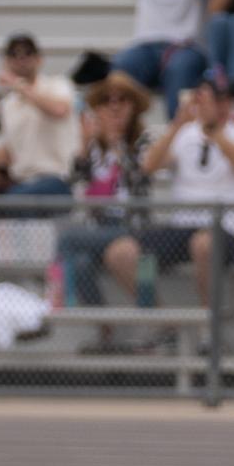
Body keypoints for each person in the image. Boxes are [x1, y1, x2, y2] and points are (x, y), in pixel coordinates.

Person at [101, 74, 234, 326]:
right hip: (181, 230)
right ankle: (165, 325)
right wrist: (176, 126)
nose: (214, 105)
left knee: (203, 244)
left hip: (228, 232)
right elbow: (148, 166)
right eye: (207, 98)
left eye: (220, 99)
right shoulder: (185, 135)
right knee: (121, 253)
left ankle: (211, 330)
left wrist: (214, 131)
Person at [54, 74, 155, 339]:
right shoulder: (92, 149)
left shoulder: (141, 143)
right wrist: (85, 145)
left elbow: (141, 179)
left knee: (68, 240)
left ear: (133, 107)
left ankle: (54, 304)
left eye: (122, 100)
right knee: (81, 262)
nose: (115, 107)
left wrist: (118, 148)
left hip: (130, 226)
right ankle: (105, 330)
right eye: (108, 101)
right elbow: (73, 183)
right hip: (97, 229)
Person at [0, 34, 78, 199]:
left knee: (9, 203)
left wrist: (19, 86)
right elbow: (8, 151)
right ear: (6, 62)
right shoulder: (7, 104)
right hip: (21, 182)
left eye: (27, 53)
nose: (21, 59)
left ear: (39, 59)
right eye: (13, 55)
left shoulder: (57, 85)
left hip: (56, 179)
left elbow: (59, 110)